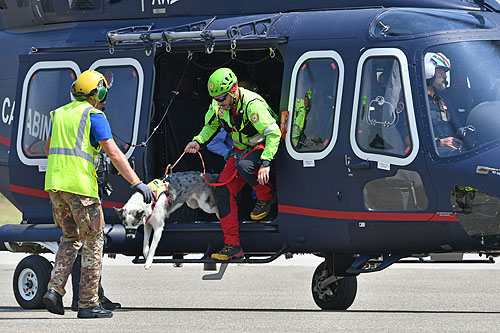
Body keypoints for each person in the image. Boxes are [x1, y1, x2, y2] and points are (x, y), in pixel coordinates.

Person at [42, 70, 156, 318]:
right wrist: (136, 182)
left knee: (70, 238)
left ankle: (54, 290)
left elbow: (49, 147)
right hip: (80, 188)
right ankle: (88, 303)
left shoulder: (60, 114)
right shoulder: (94, 115)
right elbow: (114, 153)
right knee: (94, 242)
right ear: (98, 93)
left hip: (55, 186)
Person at [184, 68, 280, 260]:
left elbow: (274, 133)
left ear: (234, 90)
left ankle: (266, 197)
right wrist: (198, 141)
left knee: (244, 166)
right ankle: (233, 246)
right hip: (241, 148)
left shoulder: (253, 105)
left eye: (222, 99)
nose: (219, 103)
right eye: (216, 99)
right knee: (222, 190)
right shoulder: (218, 104)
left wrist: (266, 162)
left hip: (264, 146)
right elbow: (210, 125)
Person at [425, 52, 462, 156]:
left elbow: (456, 125)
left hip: (448, 149)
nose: (445, 76)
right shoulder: (413, 100)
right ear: (428, 70)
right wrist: (439, 142)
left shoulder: (442, 99)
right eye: (441, 71)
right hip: (429, 153)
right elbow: (408, 138)